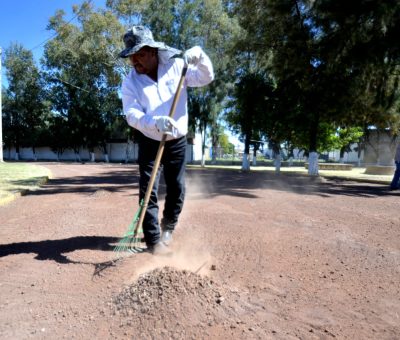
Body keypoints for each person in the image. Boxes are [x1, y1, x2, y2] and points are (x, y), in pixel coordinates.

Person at [119, 26, 214, 254]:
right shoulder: (130, 82)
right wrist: (154, 122)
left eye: (139, 54)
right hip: (150, 139)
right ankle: (153, 240)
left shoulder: (176, 66)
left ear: (153, 51)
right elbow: (131, 114)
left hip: (177, 139)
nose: (135, 61)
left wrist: (200, 57)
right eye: (131, 56)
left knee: (177, 187)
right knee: (148, 188)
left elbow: (206, 77)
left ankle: (168, 227)